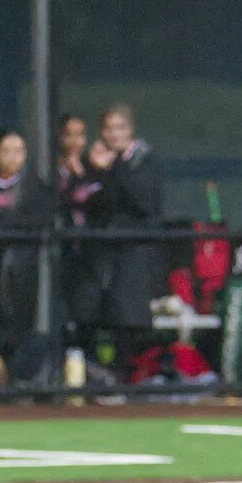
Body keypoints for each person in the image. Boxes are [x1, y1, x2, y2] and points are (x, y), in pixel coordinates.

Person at [74, 103, 164, 363]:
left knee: (128, 322)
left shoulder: (145, 161)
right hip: (101, 258)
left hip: (134, 255)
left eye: (120, 128)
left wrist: (114, 169)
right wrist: (93, 171)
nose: (114, 135)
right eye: (109, 129)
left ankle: (129, 381)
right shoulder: (92, 163)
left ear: (131, 130)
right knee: (90, 316)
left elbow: (144, 202)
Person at [0, 127, 55, 357]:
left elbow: (40, 220)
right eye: (6, 151)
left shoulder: (35, 188)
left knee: (21, 325)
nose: (12, 157)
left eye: (19, 151)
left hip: (23, 270)